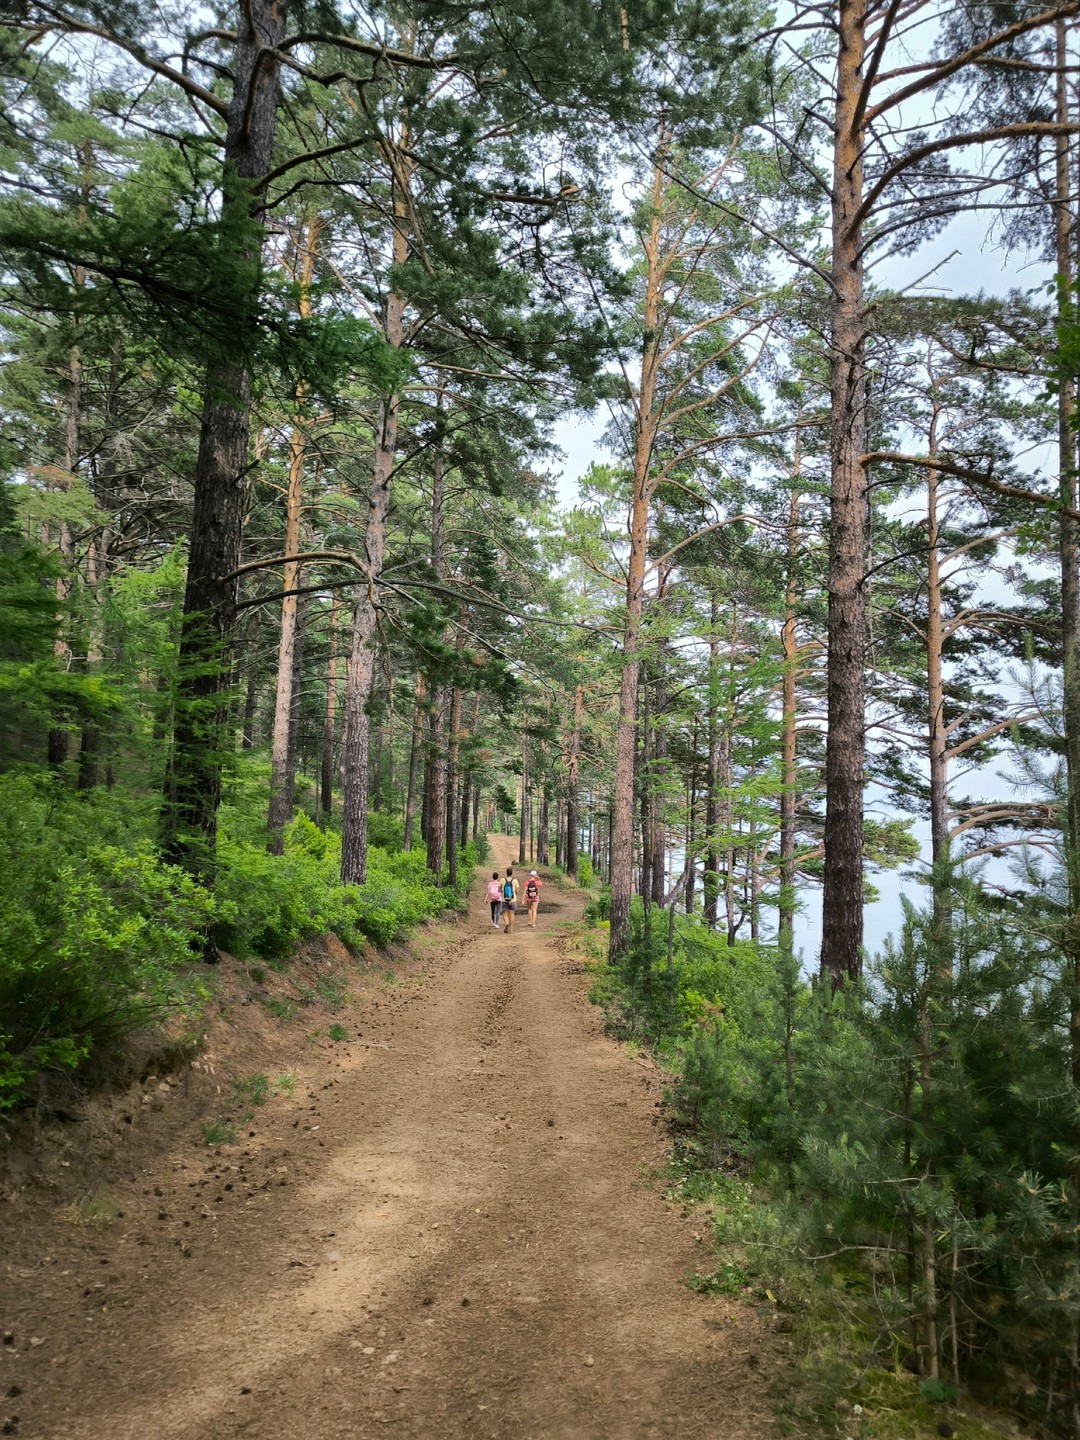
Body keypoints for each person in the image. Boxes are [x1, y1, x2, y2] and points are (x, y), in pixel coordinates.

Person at [501, 867, 519, 933]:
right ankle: (511, 930)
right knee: (512, 913)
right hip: (513, 899)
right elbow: (517, 891)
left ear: (506, 873)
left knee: (505, 913)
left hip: (504, 899)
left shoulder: (502, 880)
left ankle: (506, 923)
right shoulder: (515, 880)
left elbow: (499, 889)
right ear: (512, 873)